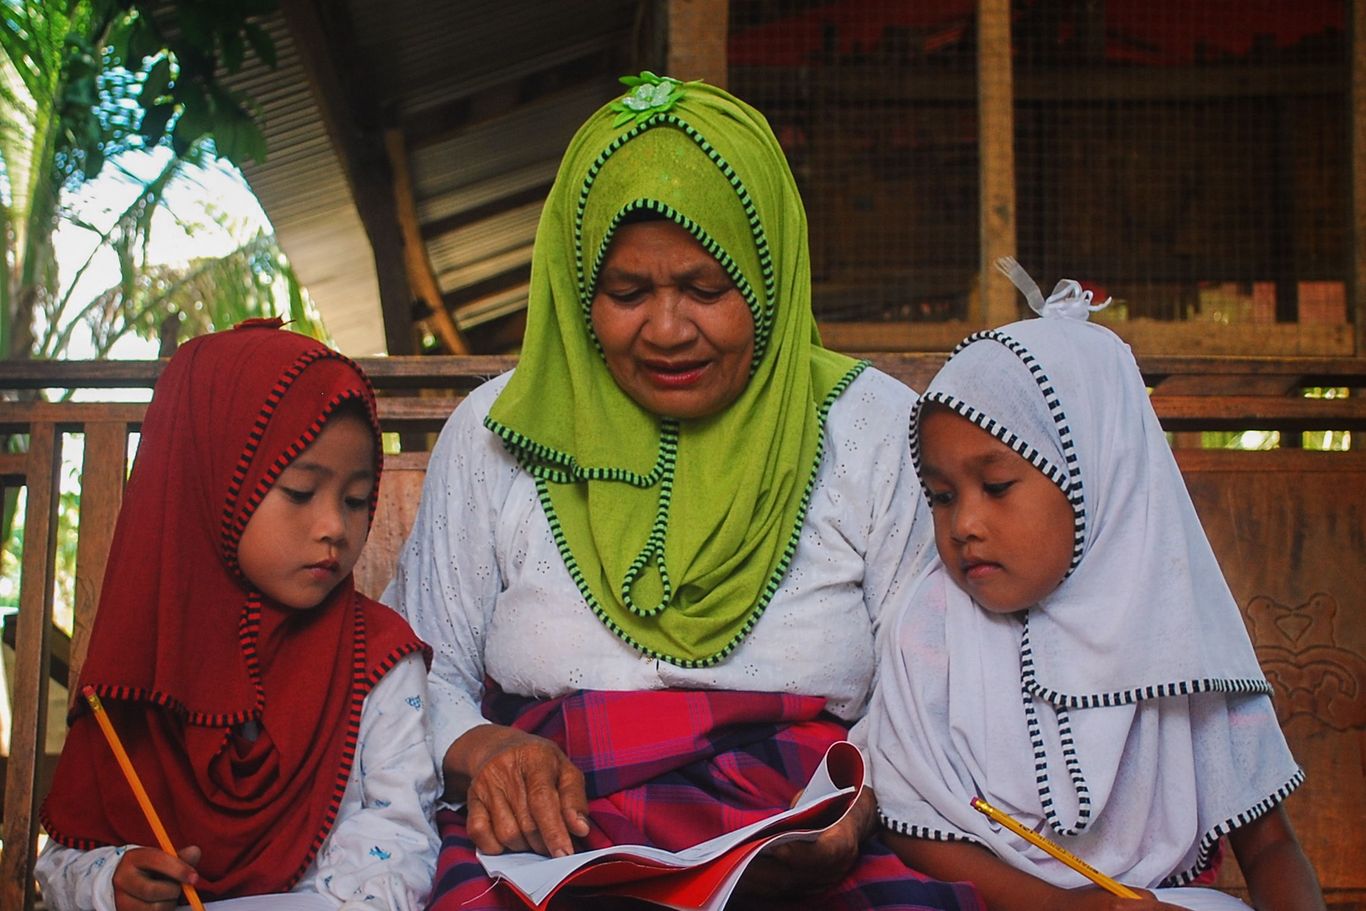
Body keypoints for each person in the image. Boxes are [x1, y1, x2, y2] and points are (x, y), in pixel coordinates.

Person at [383, 73, 981, 910]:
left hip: (803, 832)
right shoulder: (495, 432)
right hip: (555, 839)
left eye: (707, 289)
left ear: (770, 280)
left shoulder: (877, 429)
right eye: (626, 293)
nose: (667, 329)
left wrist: (860, 804)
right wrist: (484, 750)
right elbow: (415, 668)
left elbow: (929, 682)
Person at [857, 267, 1325, 911]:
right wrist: (1082, 907)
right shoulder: (932, 627)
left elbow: (1270, 846)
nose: (964, 524)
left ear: (1094, 477)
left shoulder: (1179, 630)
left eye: (996, 488)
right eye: (940, 497)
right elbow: (916, 827)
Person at [37, 319, 442, 911]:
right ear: (214, 484)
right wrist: (112, 882)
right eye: (301, 492)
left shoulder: (378, 658)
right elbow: (63, 861)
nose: (334, 525)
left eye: (356, 499)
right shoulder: (139, 671)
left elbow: (400, 836)